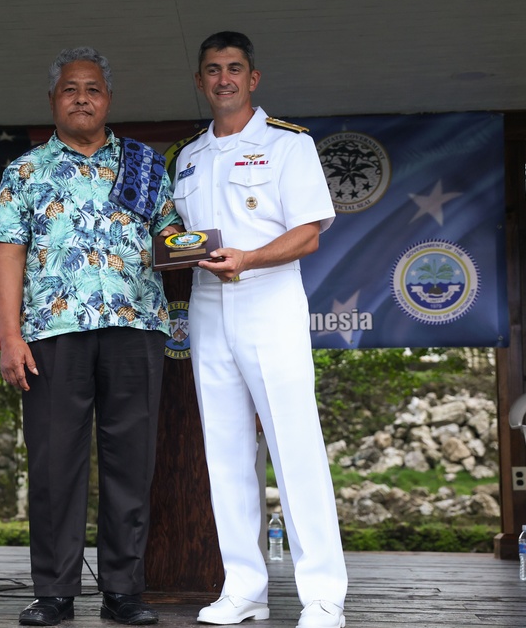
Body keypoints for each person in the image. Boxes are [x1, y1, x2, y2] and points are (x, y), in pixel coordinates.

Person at [0, 46, 181, 627]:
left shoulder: (144, 164)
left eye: (92, 88)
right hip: (52, 332)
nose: (82, 97)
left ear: (108, 99)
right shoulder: (25, 171)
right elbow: (7, 254)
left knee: (132, 463)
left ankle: (124, 591)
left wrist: (203, 249)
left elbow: (169, 239)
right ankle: (55, 592)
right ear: (53, 100)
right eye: (70, 88)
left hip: (135, 327)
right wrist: (9, 337)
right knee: (54, 465)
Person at [169, 31, 348, 628]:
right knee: (224, 456)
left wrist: (249, 258)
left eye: (235, 68)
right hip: (207, 307)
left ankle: (323, 596)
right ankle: (243, 588)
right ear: (200, 81)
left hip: (268, 300)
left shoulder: (288, 145)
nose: (224, 79)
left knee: (294, 449)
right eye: (213, 70)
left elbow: (309, 234)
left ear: (254, 79)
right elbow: (180, 238)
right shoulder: (189, 156)